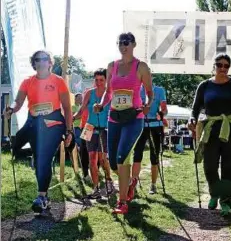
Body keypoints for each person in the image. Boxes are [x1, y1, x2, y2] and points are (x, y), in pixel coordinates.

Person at [3, 50, 73, 213]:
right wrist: (11, 109)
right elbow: (18, 101)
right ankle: (44, 190)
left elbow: (67, 108)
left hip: (53, 123)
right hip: (34, 123)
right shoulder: (28, 82)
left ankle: (41, 197)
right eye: (37, 60)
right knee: (18, 146)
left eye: (44, 59)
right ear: (33, 63)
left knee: (44, 158)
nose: (40, 62)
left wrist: (69, 131)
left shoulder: (58, 81)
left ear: (50, 63)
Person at [94, 32, 153, 214]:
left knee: (122, 156)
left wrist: (148, 105)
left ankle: (122, 202)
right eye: (120, 42)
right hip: (114, 117)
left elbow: (150, 93)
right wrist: (101, 104)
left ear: (134, 44)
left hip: (134, 117)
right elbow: (109, 92)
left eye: (126, 42)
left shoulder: (141, 67)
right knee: (113, 162)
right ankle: (131, 182)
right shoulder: (112, 66)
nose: (123, 45)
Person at [188, 53, 231, 216]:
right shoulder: (204, 85)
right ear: (214, 66)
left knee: (228, 167)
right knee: (209, 166)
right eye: (219, 65)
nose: (223, 68)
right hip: (210, 129)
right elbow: (195, 109)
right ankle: (214, 192)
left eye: (226, 66)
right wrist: (191, 119)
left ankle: (226, 201)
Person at [73, 69, 115, 199]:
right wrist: (73, 117)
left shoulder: (110, 94)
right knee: (92, 159)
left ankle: (108, 180)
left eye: (101, 80)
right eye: (96, 80)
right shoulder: (89, 93)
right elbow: (82, 109)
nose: (98, 83)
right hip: (89, 128)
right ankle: (95, 188)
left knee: (103, 159)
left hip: (104, 128)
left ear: (106, 80)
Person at [131, 84, 168, 196]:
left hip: (155, 126)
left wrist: (161, 113)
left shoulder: (159, 90)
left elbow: (164, 109)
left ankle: (153, 184)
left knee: (154, 156)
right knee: (137, 155)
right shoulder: (135, 88)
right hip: (140, 125)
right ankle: (134, 185)